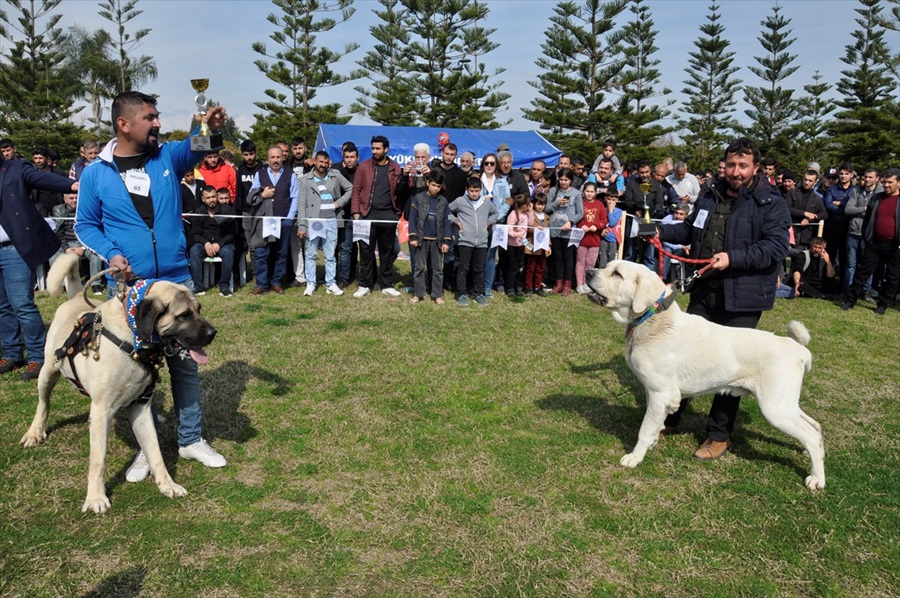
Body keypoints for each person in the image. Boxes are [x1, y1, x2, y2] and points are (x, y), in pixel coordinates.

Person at [75, 90, 228, 478]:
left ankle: (191, 440)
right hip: (131, 289)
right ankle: (148, 447)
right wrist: (111, 254)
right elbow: (84, 225)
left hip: (175, 279)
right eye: (149, 117)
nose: (157, 122)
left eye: (157, 116)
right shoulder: (96, 172)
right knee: (137, 371)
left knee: (185, 364)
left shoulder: (167, 157)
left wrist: (208, 129)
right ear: (123, 124)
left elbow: (199, 147)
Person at [655, 137, 791, 461]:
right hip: (705, 288)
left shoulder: (770, 202)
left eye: (743, 165)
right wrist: (659, 231)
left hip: (743, 298)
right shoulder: (711, 193)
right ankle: (672, 417)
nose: (736, 171)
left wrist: (734, 258)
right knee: (686, 357)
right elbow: (690, 230)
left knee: (730, 370)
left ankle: (718, 435)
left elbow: (776, 247)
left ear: (755, 167)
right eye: (731, 164)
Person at [0, 147, 78, 380]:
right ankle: (12, 352)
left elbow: (41, 178)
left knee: (22, 305)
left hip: (15, 248)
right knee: (2, 307)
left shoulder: (15, 168)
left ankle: (37, 356)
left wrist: (71, 185)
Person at [841, 167, 900, 315]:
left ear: (898, 183)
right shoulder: (876, 198)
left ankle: (883, 304)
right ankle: (850, 300)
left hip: (894, 246)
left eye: (890, 182)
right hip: (874, 243)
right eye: (884, 182)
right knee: (862, 273)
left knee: (891, 277)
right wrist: (868, 237)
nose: (886, 185)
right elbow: (868, 220)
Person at [351, 135, 404, 297]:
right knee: (366, 252)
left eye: (377, 148)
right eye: (373, 148)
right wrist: (356, 213)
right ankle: (365, 284)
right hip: (367, 215)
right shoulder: (364, 167)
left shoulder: (395, 168)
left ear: (386, 149)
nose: (374, 151)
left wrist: (397, 214)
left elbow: (400, 193)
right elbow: (356, 190)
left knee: (386, 253)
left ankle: (387, 284)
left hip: (388, 216)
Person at [297, 151, 352, 296]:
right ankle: (310, 284)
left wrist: (339, 203)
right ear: (315, 161)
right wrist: (302, 225)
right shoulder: (305, 180)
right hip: (313, 221)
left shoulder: (335, 175)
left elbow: (350, 188)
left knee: (330, 255)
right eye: (321, 162)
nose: (323, 165)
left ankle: (331, 283)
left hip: (331, 220)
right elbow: (301, 204)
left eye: (326, 162)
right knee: (310, 254)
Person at [245, 145, 299, 295]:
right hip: (265, 221)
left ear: (283, 158)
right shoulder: (259, 174)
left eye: (278, 157)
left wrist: (289, 219)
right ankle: (262, 283)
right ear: (268, 159)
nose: (275, 160)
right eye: (272, 157)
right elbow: (252, 197)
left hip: (283, 221)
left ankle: (276, 282)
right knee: (262, 252)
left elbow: (295, 198)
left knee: (281, 253)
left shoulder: (291, 175)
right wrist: (263, 195)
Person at [449, 177, 498, 306]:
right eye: (471, 190)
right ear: (467, 190)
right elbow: (446, 211)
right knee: (463, 268)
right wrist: (455, 221)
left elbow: (495, 213)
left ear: (480, 190)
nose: (474, 193)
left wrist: (488, 223)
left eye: (477, 190)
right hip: (465, 241)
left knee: (479, 269)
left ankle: (479, 293)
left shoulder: (486, 203)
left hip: (481, 242)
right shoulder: (460, 201)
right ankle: (461, 294)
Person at [408, 169, 452, 304]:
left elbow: (446, 222)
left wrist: (446, 241)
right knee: (419, 268)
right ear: (428, 183)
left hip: (437, 241)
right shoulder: (418, 198)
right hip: (421, 239)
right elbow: (412, 219)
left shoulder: (443, 201)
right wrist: (413, 237)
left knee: (437, 269)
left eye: (438, 186)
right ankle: (418, 293)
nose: (436, 189)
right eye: (433, 185)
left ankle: (437, 294)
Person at [51, 191, 104, 295]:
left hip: (84, 243)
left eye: (76, 197)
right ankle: (61, 286)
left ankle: (96, 284)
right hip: (67, 243)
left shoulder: (87, 209)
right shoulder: (58, 211)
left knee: (96, 254)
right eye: (71, 198)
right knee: (53, 253)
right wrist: (66, 248)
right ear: (65, 199)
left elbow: (94, 230)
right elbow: (58, 233)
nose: (75, 200)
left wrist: (83, 248)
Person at [188, 185, 237, 297]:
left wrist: (219, 244)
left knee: (229, 252)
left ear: (217, 196)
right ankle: (197, 287)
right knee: (194, 251)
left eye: (213, 197)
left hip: (224, 243)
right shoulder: (198, 212)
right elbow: (196, 234)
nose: (211, 200)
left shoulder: (228, 211)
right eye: (208, 197)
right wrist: (206, 244)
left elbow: (232, 234)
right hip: (204, 243)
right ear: (203, 199)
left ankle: (224, 286)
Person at [545, 167, 584, 296]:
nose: (563, 182)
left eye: (566, 180)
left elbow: (580, 212)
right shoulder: (553, 191)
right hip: (555, 229)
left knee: (568, 257)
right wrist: (556, 203)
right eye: (561, 179)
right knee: (557, 257)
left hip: (569, 230)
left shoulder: (576, 194)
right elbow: (546, 208)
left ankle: (567, 283)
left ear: (571, 180)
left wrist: (571, 222)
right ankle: (558, 283)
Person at [575, 182, 608, 293]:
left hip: (594, 240)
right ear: (583, 191)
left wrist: (597, 226)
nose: (589, 194)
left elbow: (604, 219)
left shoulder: (599, 204)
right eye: (587, 191)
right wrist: (581, 225)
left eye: (592, 191)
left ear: (595, 192)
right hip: (582, 239)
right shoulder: (580, 202)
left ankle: (587, 283)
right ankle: (579, 284)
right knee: (580, 261)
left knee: (590, 263)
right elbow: (576, 217)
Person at [336, 142, 359, 288]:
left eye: (352, 157)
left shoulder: (362, 170)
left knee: (354, 248)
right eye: (347, 157)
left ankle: (350, 275)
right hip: (339, 214)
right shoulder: (336, 170)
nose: (349, 160)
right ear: (343, 157)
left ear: (357, 157)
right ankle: (342, 277)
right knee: (342, 248)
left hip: (357, 214)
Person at [524, 193, 551, 296]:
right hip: (532, 245)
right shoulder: (530, 215)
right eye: (538, 204)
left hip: (543, 246)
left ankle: (537, 286)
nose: (540, 207)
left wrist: (549, 245)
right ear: (534, 204)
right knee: (530, 267)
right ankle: (528, 287)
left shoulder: (547, 217)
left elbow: (548, 232)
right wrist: (534, 229)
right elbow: (526, 229)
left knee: (540, 268)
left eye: (542, 204)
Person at [504, 194, 531, 297]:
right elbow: (509, 230)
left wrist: (531, 212)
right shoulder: (512, 215)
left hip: (522, 244)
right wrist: (517, 235)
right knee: (513, 267)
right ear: (523, 205)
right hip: (513, 245)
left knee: (521, 267)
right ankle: (510, 287)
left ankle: (519, 287)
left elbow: (530, 224)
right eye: (527, 205)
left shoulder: (525, 215)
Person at [599, 191, 623, 269]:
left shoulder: (618, 211)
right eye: (609, 199)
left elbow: (612, 223)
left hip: (613, 239)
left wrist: (610, 210)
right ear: (605, 199)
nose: (611, 202)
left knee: (612, 261)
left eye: (613, 200)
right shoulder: (602, 209)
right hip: (603, 239)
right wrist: (600, 232)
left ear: (617, 200)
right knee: (603, 259)